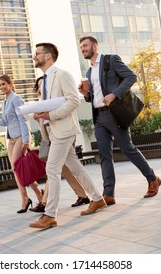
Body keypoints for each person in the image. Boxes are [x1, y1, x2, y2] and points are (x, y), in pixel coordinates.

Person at [29, 42, 106, 229]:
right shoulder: (45, 80)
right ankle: (97, 198)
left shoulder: (62, 75)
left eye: (37, 53)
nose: (34, 56)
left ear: (48, 56)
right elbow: (51, 106)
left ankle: (50, 215)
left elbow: (74, 101)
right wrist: (40, 114)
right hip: (54, 131)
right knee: (76, 168)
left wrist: (51, 115)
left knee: (52, 169)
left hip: (64, 130)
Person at [78, 36, 161, 205]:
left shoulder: (111, 60)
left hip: (114, 113)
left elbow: (131, 77)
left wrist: (114, 94)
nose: (83, 49)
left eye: (85, 46)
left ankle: (153, 179)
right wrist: (86, 94)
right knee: (104, 155)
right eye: (81, 47)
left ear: (95, 46)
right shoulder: (88, 72)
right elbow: (94, 97)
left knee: (127, 148)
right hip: (98, 116)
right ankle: (108, 193)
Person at [0, 74, 43, 214]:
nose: (2, 87)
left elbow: (23, 120)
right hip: (11, 138)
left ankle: (27, 198)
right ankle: (36, 193)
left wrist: (26, 140)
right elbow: (5, 123)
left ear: (10, 84)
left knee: (17, 168)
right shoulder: (5, 102)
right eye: (0, 85)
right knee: (17, 170)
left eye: (4, 84)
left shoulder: (16, 99)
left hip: (20, 136)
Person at [29, 76, 90, 213]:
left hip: (63, 135)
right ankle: (84, 195)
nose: (41, 86)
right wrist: (38, 118)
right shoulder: (39, 104)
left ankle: (45, 203)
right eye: (39, 85)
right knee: (66, 169)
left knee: (54, 168)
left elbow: (64, 112)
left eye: (43, 83)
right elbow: (44, 127)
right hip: (51, 138)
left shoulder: (54, 99)